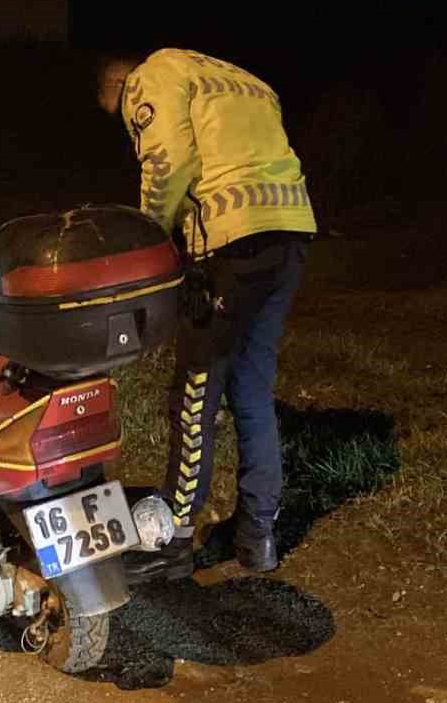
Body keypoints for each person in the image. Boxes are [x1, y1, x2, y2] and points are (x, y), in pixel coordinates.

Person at [96, 47, 316, 582]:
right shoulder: (248, 80)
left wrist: (147, 237)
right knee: (253, 390)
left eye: (118, 117)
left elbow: (168, 160)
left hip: (229, 246)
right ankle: (257, 536)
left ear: (116, 88)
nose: (126, 128)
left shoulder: (153, 75)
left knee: (196, 391)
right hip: (290, 234)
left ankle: (173, 540)